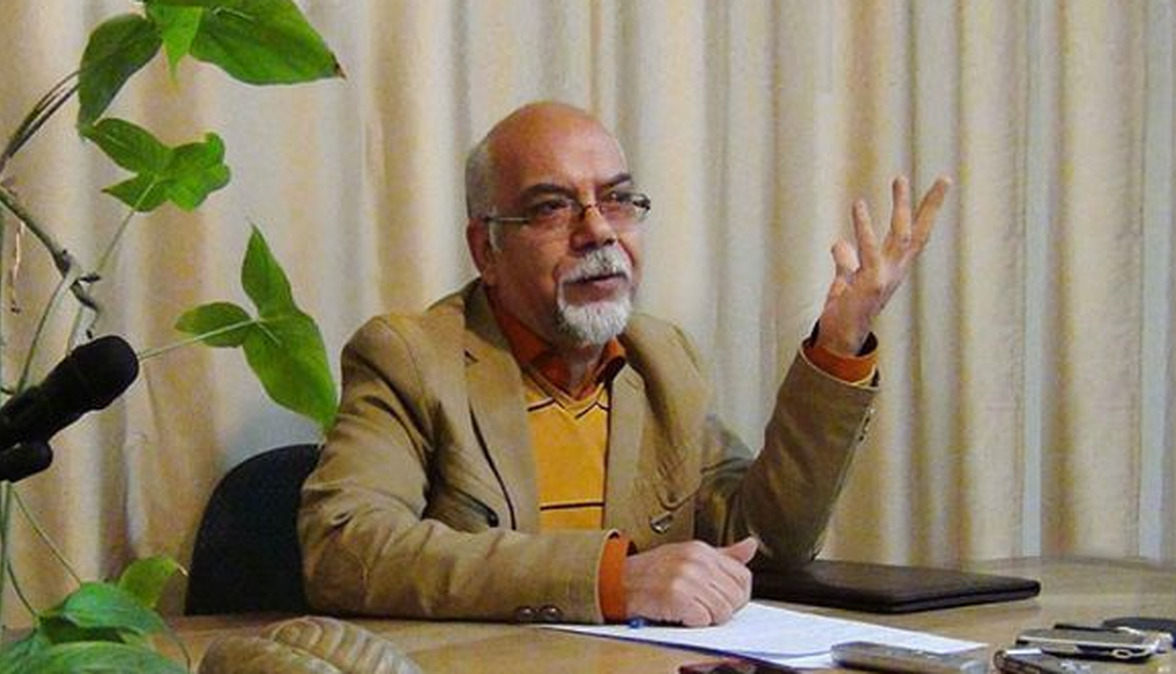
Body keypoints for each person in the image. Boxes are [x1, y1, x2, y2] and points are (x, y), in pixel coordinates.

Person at [298, 101, 950, 627]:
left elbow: (763, 542)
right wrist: (611, 580)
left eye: (617, 200)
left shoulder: (662, 359)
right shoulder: (411, 358)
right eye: (552, 207)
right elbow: (345, 550)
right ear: (486, 249)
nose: (598, 231)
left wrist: (838, 344)